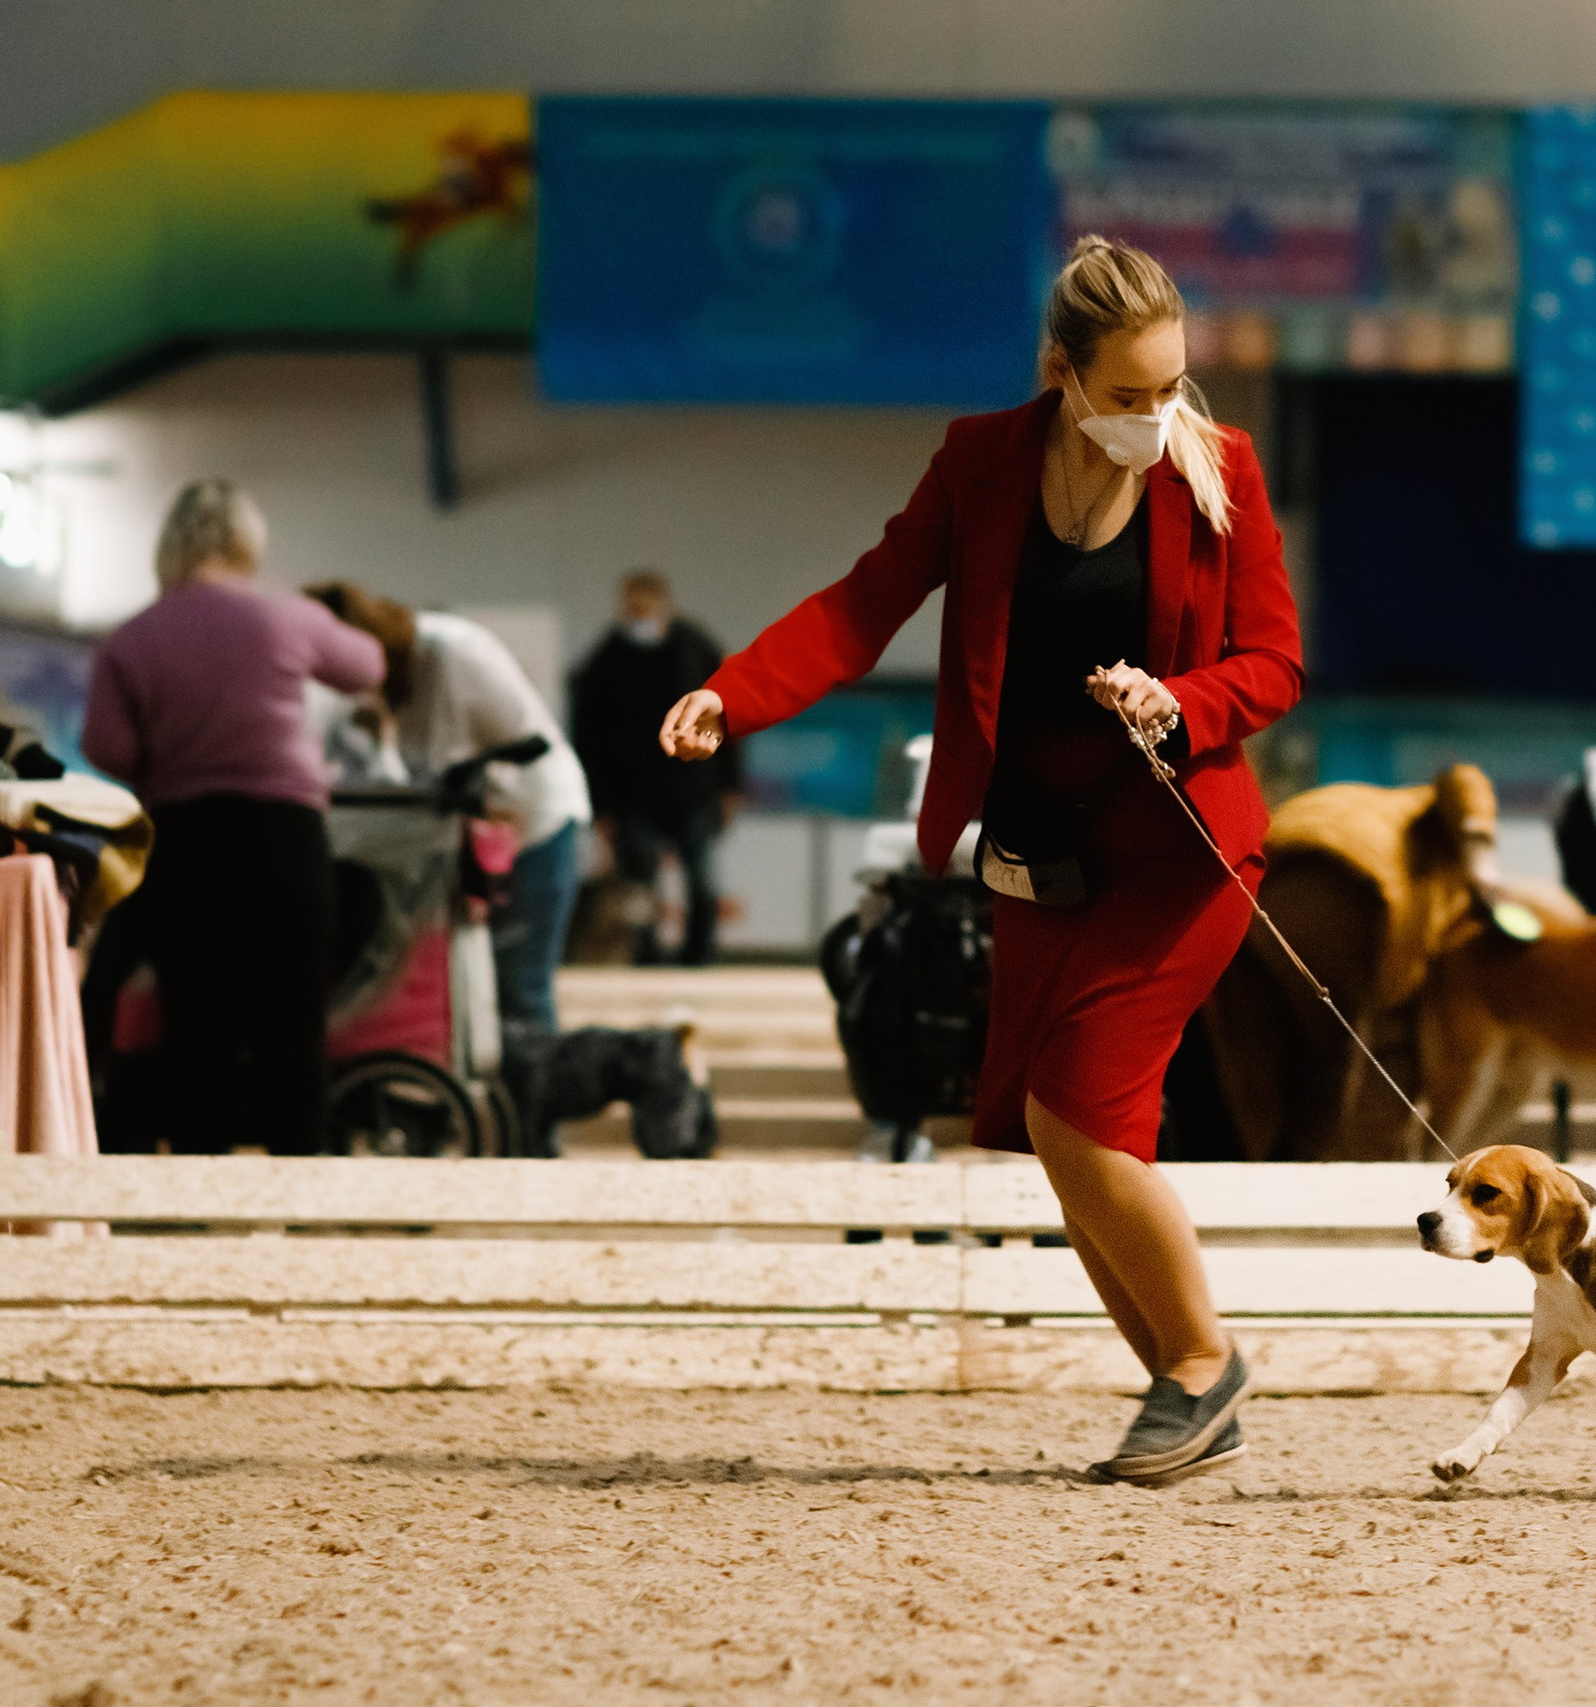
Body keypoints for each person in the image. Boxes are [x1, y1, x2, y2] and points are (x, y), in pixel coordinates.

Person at [659, 236, 1301, 1485]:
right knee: (1055, 1139)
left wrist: (1181, 701)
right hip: (1038, 860)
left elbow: (1273, 663)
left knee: (1079, 1113)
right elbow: (861, 604)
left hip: (1178, 859)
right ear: (1060, 370)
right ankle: (1183, 1392)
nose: (1154, 417)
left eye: (1170, 387)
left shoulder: (1218, 468)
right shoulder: (980, 463)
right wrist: (731, 696)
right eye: (1126, 396)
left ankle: (1199, 1368)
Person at [80, 479, 386, 1154]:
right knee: (295, 1019)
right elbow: (367, 665)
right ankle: (300, 1188)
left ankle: (198, 1190)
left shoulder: (132, 637)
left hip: (183, 839)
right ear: (249, 542)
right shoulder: (283, 616)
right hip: (284, 837)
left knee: (196, 1020)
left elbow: (108, 747)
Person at [306, 584, 593, 1033]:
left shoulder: (455, 653)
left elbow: (523, 746)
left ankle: (537, 1099)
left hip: (538, 825)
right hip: (485, 833)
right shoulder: (399, 680)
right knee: (485, 993)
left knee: (524, 993)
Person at [570, 571, 741, 965]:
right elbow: (589, 740)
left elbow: (727, 716)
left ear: (665, 604)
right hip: (633, 796)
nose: (640, 615)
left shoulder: (696, 648)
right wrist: (599, 807)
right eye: (633, 607)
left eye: (647, 606)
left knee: (701, 882)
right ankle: (646, 959)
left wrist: (730, 786)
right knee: (640, 886)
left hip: (695, 788)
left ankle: (700, 959)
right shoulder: (605, 660)